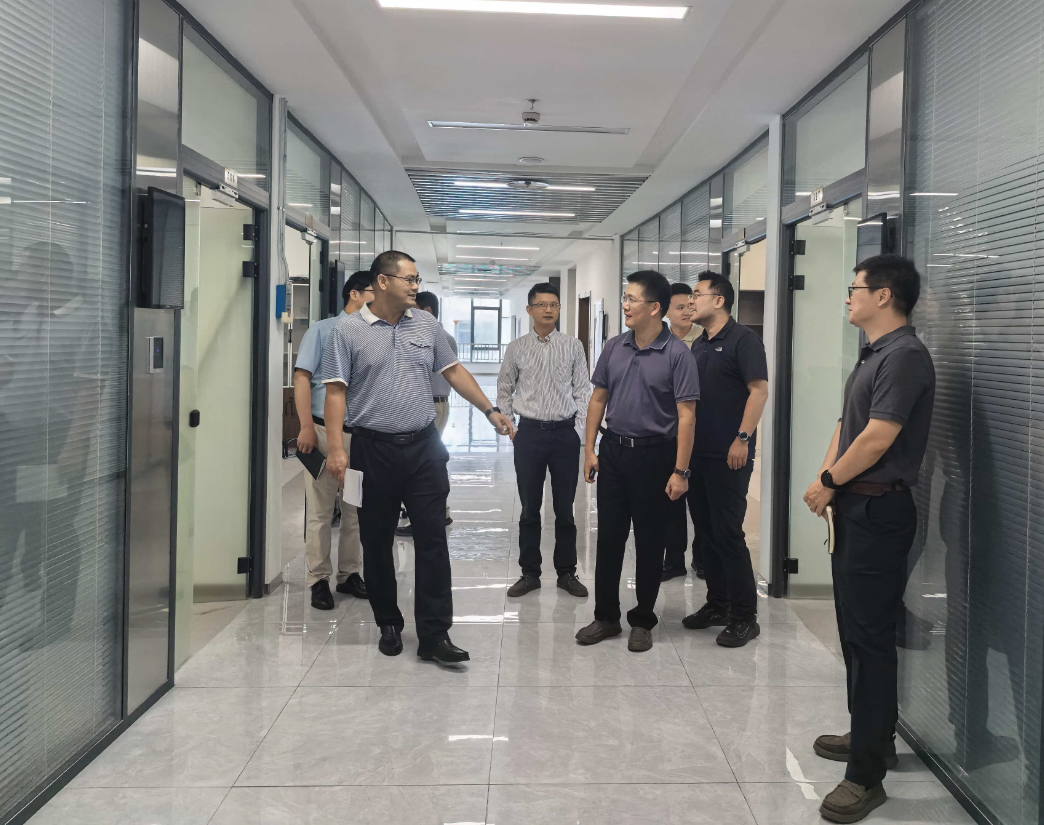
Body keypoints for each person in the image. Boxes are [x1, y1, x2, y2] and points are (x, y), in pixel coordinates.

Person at [319, 251, 514, 664]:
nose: (415, 286)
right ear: (383, 281)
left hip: (424, 448)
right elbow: (335, 391)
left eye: (416, 279)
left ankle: (434, 634)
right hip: (372, 449)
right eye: (408, 279)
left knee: (433, 539)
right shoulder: (348, 331)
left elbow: (454, 371)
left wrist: (490, 410)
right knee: (376, 540)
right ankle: (388, 623)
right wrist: (336, 448)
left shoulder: (426, 325)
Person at [802, 255, 935, 823]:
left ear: (883, 295)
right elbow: (847, 426)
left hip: (880, 511)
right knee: (856, 635)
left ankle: (865, 777)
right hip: (856, 506)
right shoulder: (875, 353)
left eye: (855, 288)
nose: (848, 297)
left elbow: (879, 437)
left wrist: (830, 482)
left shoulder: (905, 356)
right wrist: (826, 481)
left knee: (871, 639)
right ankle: (871, 737)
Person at [574, 270, 699, 653]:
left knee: (649, 543)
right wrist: (590, 448)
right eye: (625, 298)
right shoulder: (614, 347)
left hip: (655, 457)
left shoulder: (677, 354)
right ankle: (606, 617)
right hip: (614, 452)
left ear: (655, 308)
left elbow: (687, 417)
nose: (625, 305)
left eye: (632, 299)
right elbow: (598, 399)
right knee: (609, 539)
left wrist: (680, 471)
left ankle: (643, 620)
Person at [681, 272, 769, 648]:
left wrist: (742, 438)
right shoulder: (699, 344)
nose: (691, 301)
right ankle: (717, 604)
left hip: (729, 455)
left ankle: (745, 616)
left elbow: (759, 391)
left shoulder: (743, 340)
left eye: (697, 294)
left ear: (719, 300)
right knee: (706, 535)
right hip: (698, 455)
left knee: (728, 534)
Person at [497, 282, 591, 599]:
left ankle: (566, 573)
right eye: (542, 305)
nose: (548, 310)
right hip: (530, 434)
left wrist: (577, 431)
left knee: (565, 509)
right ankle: (529, 573)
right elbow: (504, 388)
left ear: (559, 308)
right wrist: (511, 426)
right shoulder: (517, 348)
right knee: (529, 508)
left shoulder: (573, 346)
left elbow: (583, 390)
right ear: (530, 310)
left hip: (564, 434)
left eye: (554, 304)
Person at [293, 271, 374, 609]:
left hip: (362, 436)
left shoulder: (375, 334)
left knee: (354, 509)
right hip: (325, 433)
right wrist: (305, 427)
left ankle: (349, 573)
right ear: (354, 294)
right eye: (373, 292)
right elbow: (302, 377)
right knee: (321, 511)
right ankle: (318, 578)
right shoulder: (323, 330)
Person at [396, 291, 457, 536]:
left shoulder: (434, 337)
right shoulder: (447, 337)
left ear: (427, 312)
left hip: (430, 405)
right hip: (436, 404)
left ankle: (434, 515)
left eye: (413, 309)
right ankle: (434, 511)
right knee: (428, 460)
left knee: (424, 463)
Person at [663, 281, 705, 581]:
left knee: (701, 501)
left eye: (690, 305)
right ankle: (674, 560)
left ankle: (701, 559)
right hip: (668, 433)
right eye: (679, 307)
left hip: (699, 431)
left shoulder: (704, 339)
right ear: (665, 311)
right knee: (671, 500)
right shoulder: (660, 341)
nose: (687, 311)